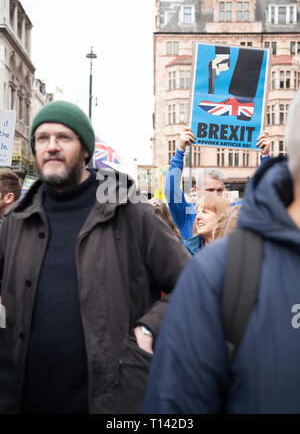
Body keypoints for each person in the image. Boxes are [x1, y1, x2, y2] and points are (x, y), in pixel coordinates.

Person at [0, 100, 190, 414]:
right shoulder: (18, 220)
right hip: (29, 398)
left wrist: (149, 328)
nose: (52, 146)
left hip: (112, 398)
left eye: (63, 137)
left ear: (86, 150)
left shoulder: (128, 210)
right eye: (42, 139)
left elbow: (193, 281)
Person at [143, 89, 300, 414]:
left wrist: (266, 158)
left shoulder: (238, 221)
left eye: (217, 194)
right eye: (206, 194)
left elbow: (268, 197)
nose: (205, 208)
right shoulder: (188, 223)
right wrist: (180, 152)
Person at [164, 127, 271, 239]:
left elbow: (264, 196)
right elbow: (171, 190)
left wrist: (265, 157)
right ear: (196, 190)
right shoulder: (187, 214)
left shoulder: (232, 212)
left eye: (219, 190)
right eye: (210, 190)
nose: (215, 194)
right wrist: (180, 151)